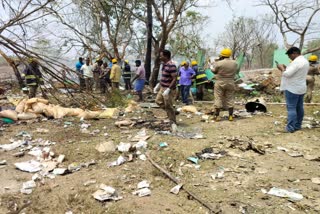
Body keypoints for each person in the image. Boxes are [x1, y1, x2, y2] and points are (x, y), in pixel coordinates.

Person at [277, 46, 309, 133]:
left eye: (290, 56)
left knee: (291, 108)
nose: (289, 57)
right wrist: (286, 68)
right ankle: (298, 125)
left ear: (294, 53)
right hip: (301, 87)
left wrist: (282, 69)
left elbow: (287, 74)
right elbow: (295, 72)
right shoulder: (304, 61)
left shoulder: (297, 62)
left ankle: (290, 128)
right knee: (299, 107)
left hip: (292, 88)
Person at [212, 48, 237, 122]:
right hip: (230, 82)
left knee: (218, 98)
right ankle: (230, 116)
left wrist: (211, 67)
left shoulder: (219, 63)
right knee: (230, 98)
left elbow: (214, 71)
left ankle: (217, 116)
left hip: (220, 82)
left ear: (222, 55)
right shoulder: (235, 63)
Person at [155, 50, 178, 124]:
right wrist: (158, 85)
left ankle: (173, 121)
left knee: (168, 105)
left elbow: (174, 78)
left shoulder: (171, 65)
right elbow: (164, 76)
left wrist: (168, 89)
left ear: (166, 56)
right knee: (158, 101)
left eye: (161, 55)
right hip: (162, 87)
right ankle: (173, 112)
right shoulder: (164, 65)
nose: (160, 57)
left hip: (168, 88)